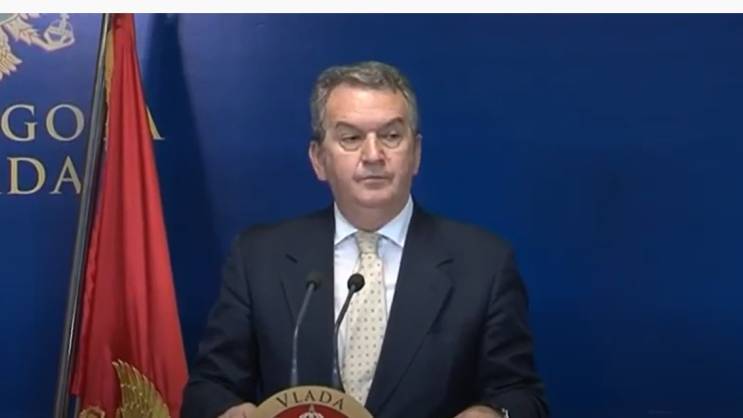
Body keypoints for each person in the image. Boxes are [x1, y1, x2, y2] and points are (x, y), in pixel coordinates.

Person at [182, 61, 549, 418]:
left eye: (391, 136)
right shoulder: (258, 257)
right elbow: (209, 387)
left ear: (416, 153)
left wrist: (493, 413)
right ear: (319, 159)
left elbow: (521, 395)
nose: (373, 156)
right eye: (351, 138)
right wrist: (228, 411)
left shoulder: (484, 264)